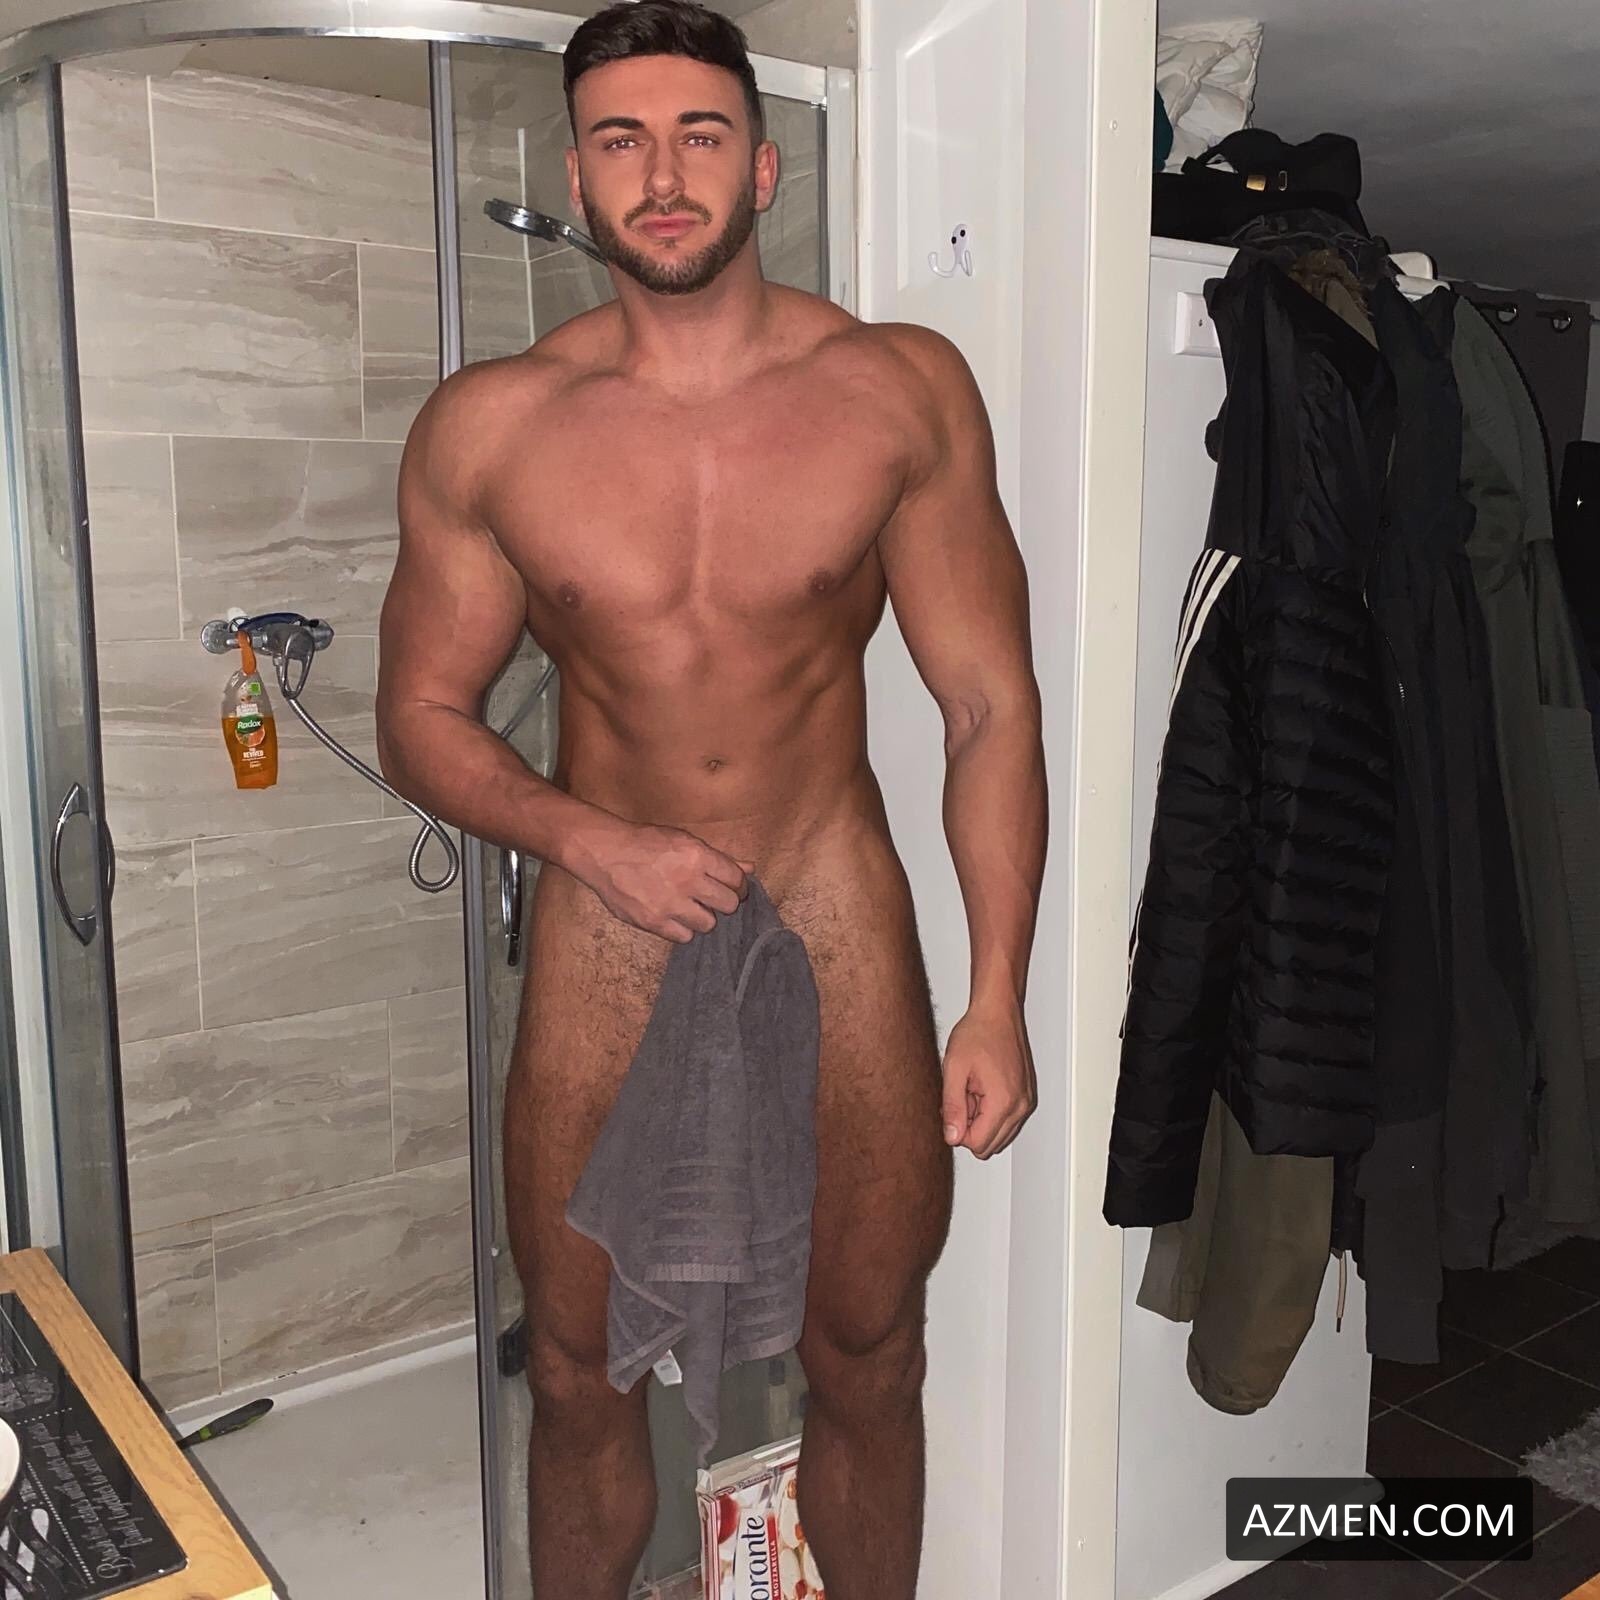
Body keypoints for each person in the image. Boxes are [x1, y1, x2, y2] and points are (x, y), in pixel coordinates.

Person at [374, 3, 1047, 1594]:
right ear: (578, 175)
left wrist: (997, 996)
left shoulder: (897, 391)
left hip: (828, 894)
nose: (661, 175)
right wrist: (587, 839)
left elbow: (987, 705)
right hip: (611, 920)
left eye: (699, 136)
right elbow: (417, 716)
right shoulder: (494, 426)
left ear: (761, 169)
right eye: (621, 140)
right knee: (574, 1372)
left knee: (870, 1349)